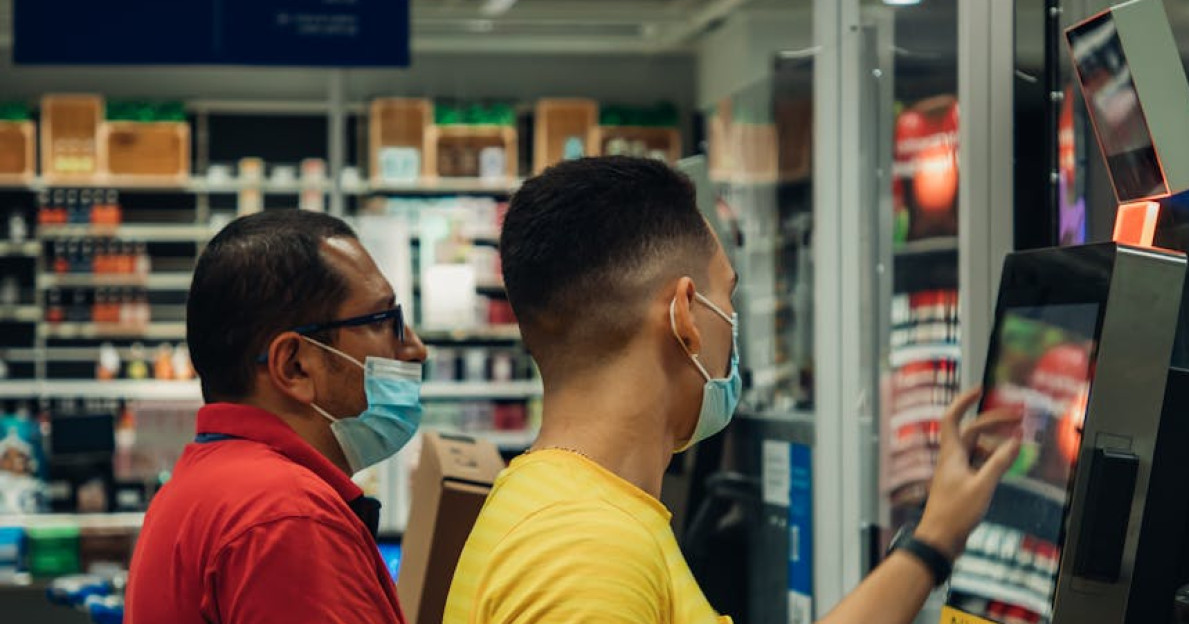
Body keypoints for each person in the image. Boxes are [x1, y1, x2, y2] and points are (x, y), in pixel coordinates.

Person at [443, 156, 1021, 624]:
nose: (734, 323)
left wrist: (931, 540)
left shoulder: (569, 507)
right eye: (730, 295)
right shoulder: (588, 551)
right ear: (686, 315)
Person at [126, 210, 427, 624]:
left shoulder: (205, 485)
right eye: (384, 320)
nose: (414, 348)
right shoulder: (288, 517)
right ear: (295, 366)